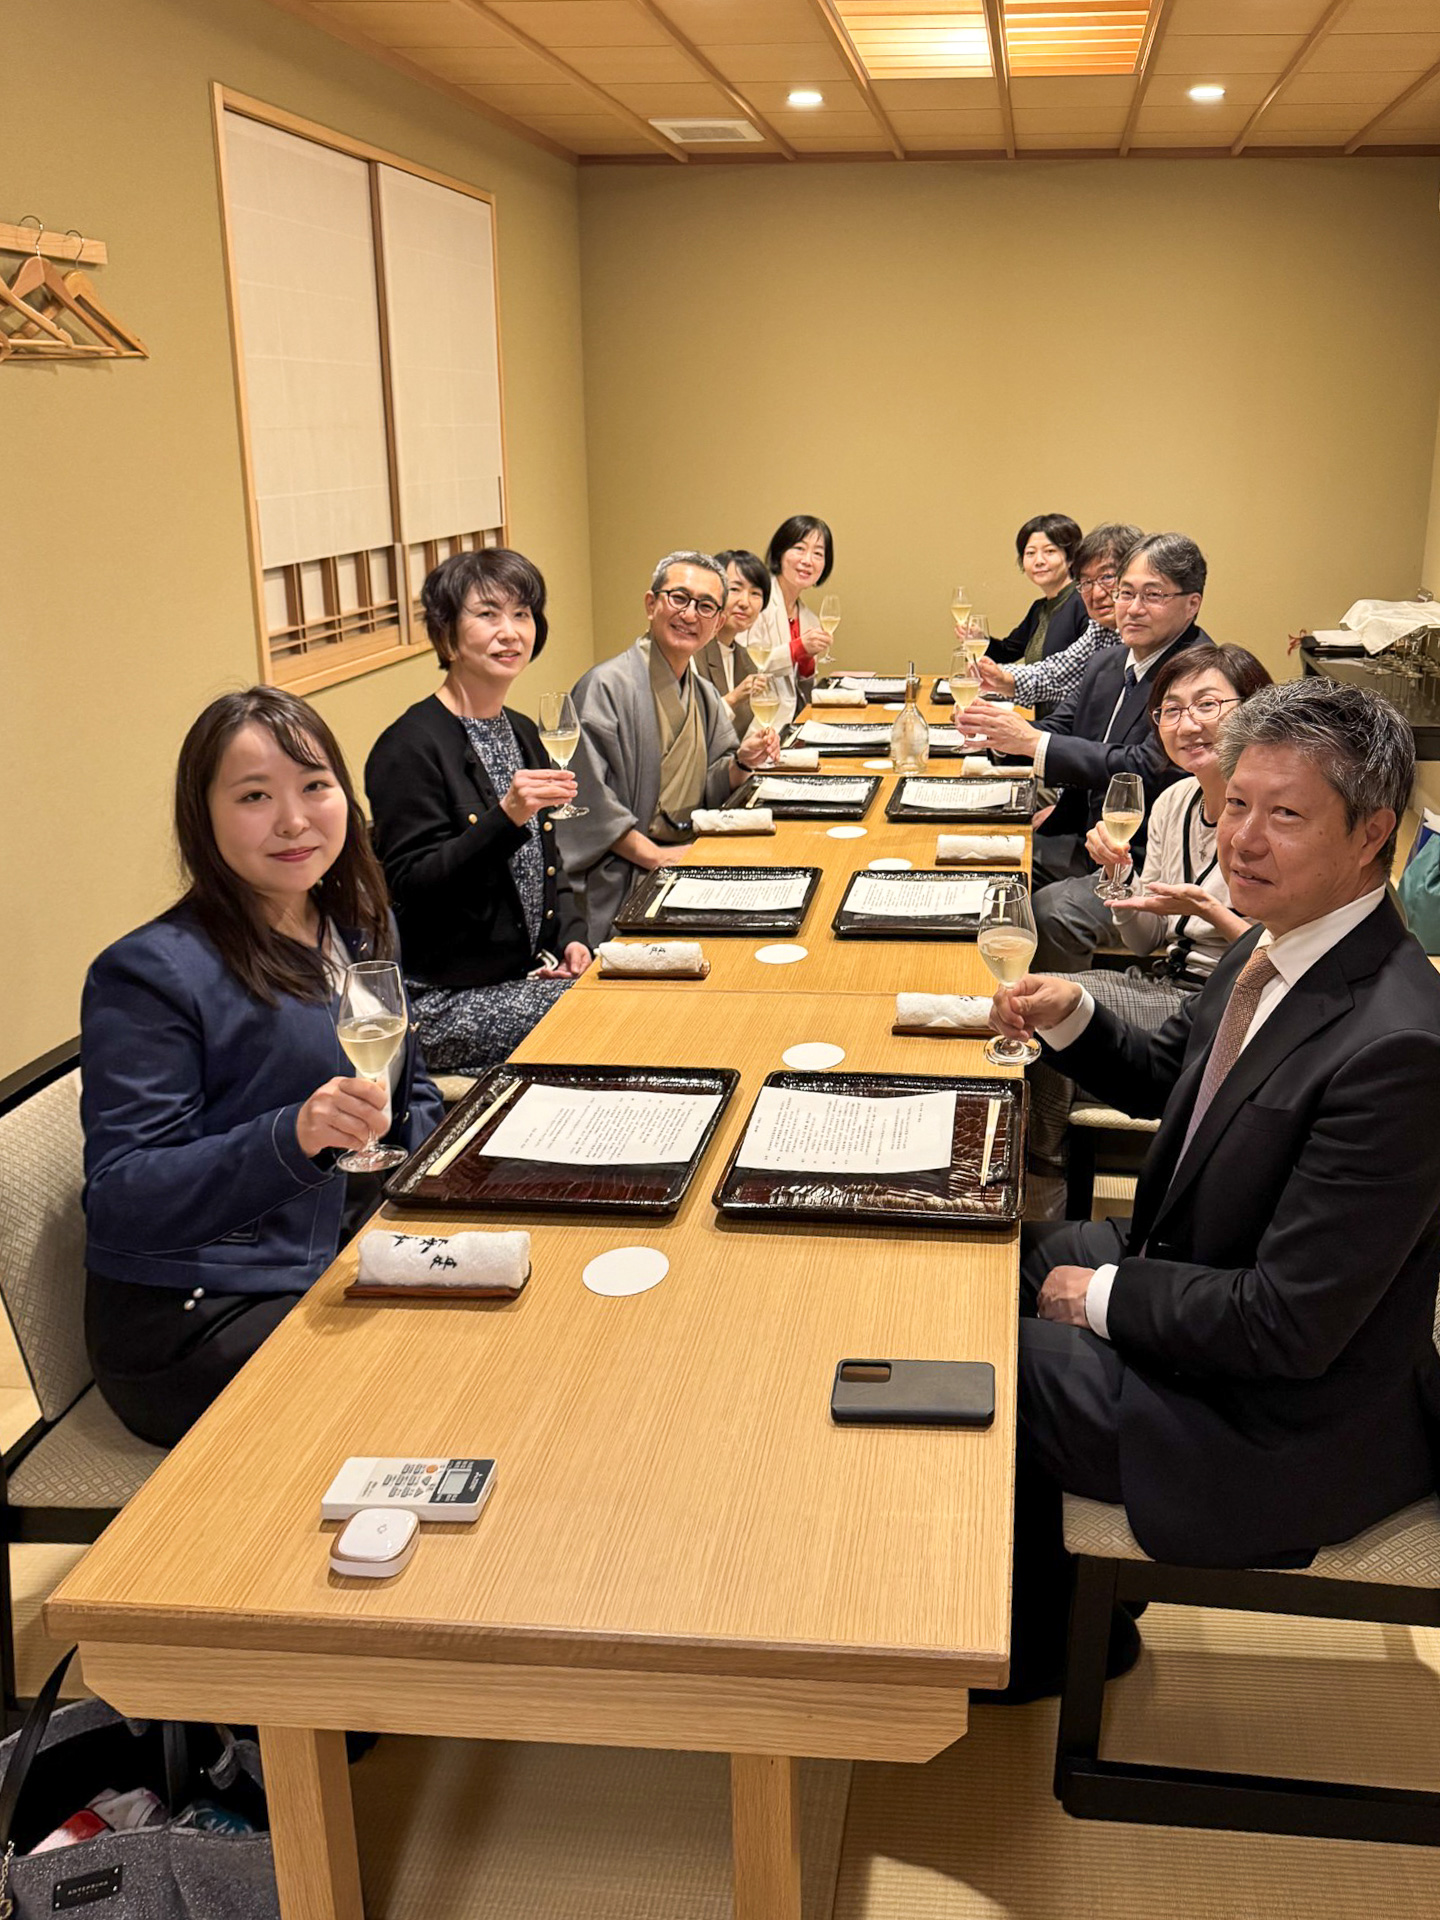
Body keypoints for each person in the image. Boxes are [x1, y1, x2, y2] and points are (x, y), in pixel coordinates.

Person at [988, 677, 1440, 1698]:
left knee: (1003, 1361)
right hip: (1222, 1287)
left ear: (1373, 835)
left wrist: (1103, 1303)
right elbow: (1173, 1084)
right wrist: (1072, 1018)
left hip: (1290, 1420)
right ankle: (1071, 1603)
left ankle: (1044, 1654)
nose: (1242, 839)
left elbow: (1288, 1326)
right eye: (1236, 803)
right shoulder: (1273, 946)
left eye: (1286, 815)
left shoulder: (1401, 1044)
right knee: (1034, 1257)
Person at [81, 688, 445, 1448]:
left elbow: (407, 1090)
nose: (294, 820)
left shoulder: (359, 921)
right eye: (254, 796)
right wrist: (294, 1135)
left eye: (315, 786)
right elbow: (122, 1196)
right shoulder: (151, 972)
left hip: (342, 1248)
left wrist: (437, 1181)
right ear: (202, 816)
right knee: (435, 1378)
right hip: (201, 1312)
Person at [1027, 643, 1272, 1175]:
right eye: (1171, 710)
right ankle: (1042, 1152)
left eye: (1208, 705)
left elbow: (1282, 962)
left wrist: (1209, 909)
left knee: (1049, 1001)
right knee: (1040, 995)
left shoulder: (1270, 818)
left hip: (1230, 1003)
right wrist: (1119, 879)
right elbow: (1144, 941)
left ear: (1255, 708)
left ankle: (1042, 1162)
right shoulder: (1173, 801)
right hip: (1166, 981)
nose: (1188, 724)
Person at [365, 549, 591, 1074]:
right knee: (606, 1014)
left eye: (521, 614)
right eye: (487, 614)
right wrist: (506, 816)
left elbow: (549, 869)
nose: (510, 631)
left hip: (530, 978)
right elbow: (413, 885)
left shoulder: (523, 731)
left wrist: (574, 938)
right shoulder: (409, 747)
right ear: (446, 635)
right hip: (443, 1002)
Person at [956, 531, 1213, 969]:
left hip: (1142, 859)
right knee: (986, 868)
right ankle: (977, 995)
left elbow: (1149, 768)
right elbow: (1061, 727)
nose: (1131, 608)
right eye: (1125, 592)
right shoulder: (1111, 660)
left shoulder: (1196, 672)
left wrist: (1031, 740)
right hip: (1081, 834)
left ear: (1192, 603)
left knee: (1052, 911)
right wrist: (996, 735)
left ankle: (1060, 1020)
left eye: (1152, 595)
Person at [559, 550, 779, 945]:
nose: (690, 614)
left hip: (682, 855)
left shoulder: (704, 695)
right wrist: (655, 858)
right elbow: (586, 800)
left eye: (706, 606)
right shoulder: (605, 687)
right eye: (679, 598)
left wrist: (742, 764)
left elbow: (711, 782)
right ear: (651, 604)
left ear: (717, 624)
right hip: (626, 870)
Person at [975, 522, 1140, 710]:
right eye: (1086, 582)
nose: (1097, 594)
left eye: (1107, 577)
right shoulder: (1095, 626)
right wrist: (1001, 677)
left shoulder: (1082, 607)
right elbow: (1057, 672)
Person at [744, 515, 835, 722]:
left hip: (790, 724)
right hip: (754, 726)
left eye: (818, 553)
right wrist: (797, 649)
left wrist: (807, 666)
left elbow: (800, 694)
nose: (807, 560)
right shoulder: (758, 601)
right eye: (799, 549)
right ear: (780, 552)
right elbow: (746, 668)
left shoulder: (810, 619)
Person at [986, 514, 1087, 668]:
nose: (1039, 561)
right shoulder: (1040, 608)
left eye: (1050, 551)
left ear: (1071, 558)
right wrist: (978, 638)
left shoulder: (1084, 602)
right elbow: (1007, 652)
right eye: (1030, 553)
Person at [695, 548, 770, 740]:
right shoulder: (691, 653)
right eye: (735, 589)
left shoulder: (746, 659)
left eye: (755, 593)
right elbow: (691, 730)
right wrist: (734, 698)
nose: (745, 602)